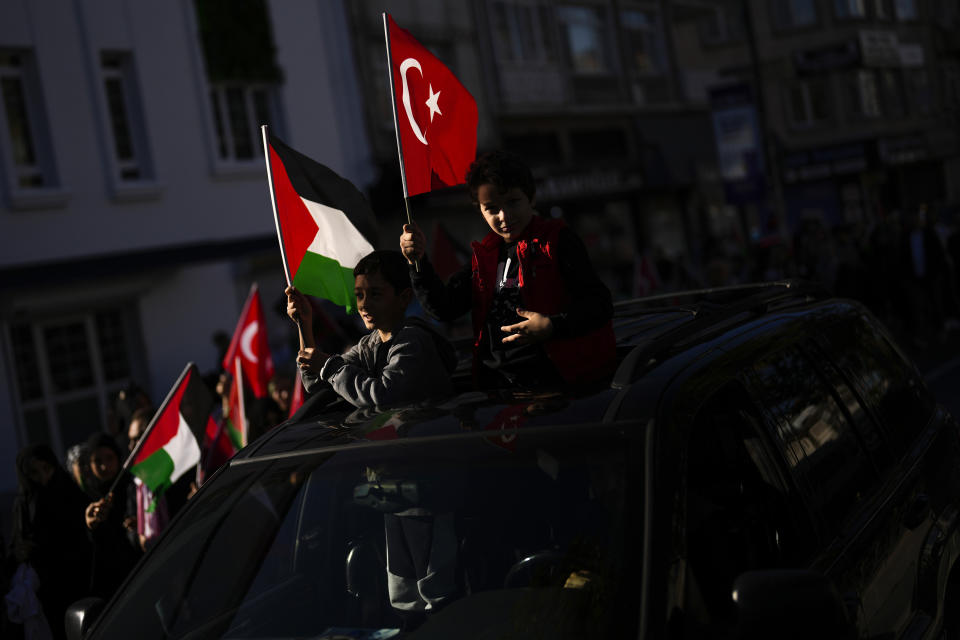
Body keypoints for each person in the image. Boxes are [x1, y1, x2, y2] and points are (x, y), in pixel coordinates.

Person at [399, 150, 615, 389]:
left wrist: (552, 326)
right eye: (491, 208)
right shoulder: (484, 256)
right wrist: (417, 261)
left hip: (558, 387)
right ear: (479, 209)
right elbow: (443, 308)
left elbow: (600, 305)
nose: (504, 216)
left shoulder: (558, 241)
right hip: (499, 390)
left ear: (531, 198)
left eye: (512, 202)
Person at [285, 250, 457, 409]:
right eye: (359, 295)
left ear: (404, 298)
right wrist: (305, 324)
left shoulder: (412, 340)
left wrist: (329, 367)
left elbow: (384, 397)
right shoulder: (368, 345)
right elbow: (316, 383)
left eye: (375, 294)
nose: (364, 304)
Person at [9, 445, 92, 640]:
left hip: (75, 580)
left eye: (46, 469)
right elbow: (17, 543)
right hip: (44, 591)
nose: (43, 478)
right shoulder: (23, 504)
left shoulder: (68, 492)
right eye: (34, 473)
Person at [83, 434, 142, 600]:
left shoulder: (132, 488)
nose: (104, 466)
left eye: (109, 458)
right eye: (97, 461)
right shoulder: (85, 497)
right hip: (108, 590)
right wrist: (91, 525)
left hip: (136, 575)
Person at [126, 408, 169, 551]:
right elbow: (133, 540)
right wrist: (136, 530)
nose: (131, 446)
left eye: (137, 438)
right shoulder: (136, 484)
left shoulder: (176, 474)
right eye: (129, 440)